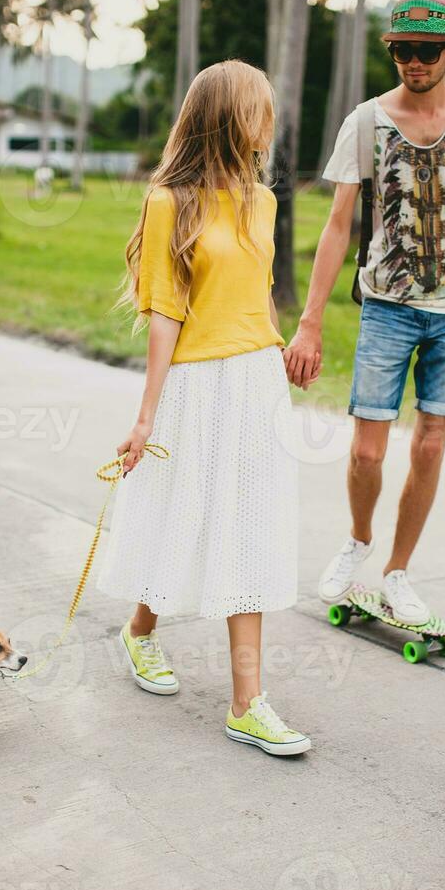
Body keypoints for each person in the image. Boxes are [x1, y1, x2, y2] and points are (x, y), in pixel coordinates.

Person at [96, 60, 311, 757]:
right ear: (228, 116)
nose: (268, 123)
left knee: (244, 526)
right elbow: (164, 311)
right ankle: (140, 631)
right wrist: (145, 416)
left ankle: (247, 703)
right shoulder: (170, 201)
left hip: (257, 381)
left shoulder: (264, 200)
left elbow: (258, 297)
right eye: (259, 109)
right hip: (196, 382)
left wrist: (275, 355)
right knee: (182, 514)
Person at [284, 0, 445, 625]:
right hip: (387, 306)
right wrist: (309, 321)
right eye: (404, 51)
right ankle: (358, 539)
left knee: (432, 447)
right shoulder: (366, 121)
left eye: (428, 51)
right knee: (366, 454)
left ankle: (398, 572)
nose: (414, 62)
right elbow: (336, 226)